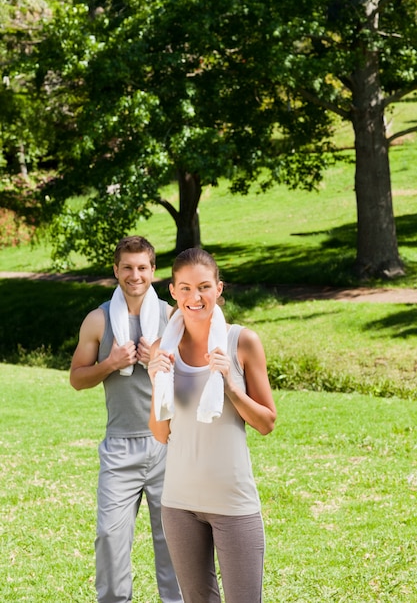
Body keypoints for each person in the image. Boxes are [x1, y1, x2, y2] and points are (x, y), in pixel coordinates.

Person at [148, 247, 277, 603]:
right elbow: (160, 433)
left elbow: (266, 422)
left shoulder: (242, 342)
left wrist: (231, 385)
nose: (195, 297)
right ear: (173, 291)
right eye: (185, 288)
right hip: (179, 503)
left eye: (204, 287)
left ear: (219, 289)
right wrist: (156, 380)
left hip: (233, 503)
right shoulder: (164, 349)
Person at [70, 235, 182, 603]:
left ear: (153, 271)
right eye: (128, 268)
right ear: (116, 271)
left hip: (168, 444)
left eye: (142, 267)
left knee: (175, 543)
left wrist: (157, 362)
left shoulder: (171, 319)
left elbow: (194, 381)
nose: (135, 275)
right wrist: (110, 363)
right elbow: (77, 379)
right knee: (109, 538)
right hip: (119, 448)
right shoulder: (98, 320)